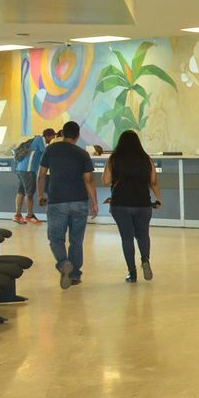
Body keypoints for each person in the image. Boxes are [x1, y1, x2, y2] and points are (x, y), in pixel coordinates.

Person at [38, 121, 98, 289]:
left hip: (57, 201)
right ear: (78, 136)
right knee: (76, 241)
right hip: (79, 202)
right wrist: (94, 202)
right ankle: (75, 275)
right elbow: (88, 180)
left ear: (62, 133)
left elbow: (41, 174)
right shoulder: (82, 154)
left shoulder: (51, 149)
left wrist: (41, 194)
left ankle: (64, 264)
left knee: (56, 239)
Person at [102, 130, 161, 283]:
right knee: (143, 234)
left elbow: (106, 181)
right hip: (142, 203)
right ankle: (145, 259)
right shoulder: (146, 159)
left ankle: (132, 272)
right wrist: (159, 199)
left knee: (127, 237)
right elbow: (153, 181)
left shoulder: (114, 159)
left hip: (120, 204)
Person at [14, 128, 55, 224]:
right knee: (29, 193)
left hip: (20, 169)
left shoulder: (35, 140)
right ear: (47, 136)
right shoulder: (41, 139)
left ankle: (18, 215)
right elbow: (46, 152)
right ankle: (29, 215)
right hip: (28, 170)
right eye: (52, 137)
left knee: (21, 192)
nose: (51, 140)